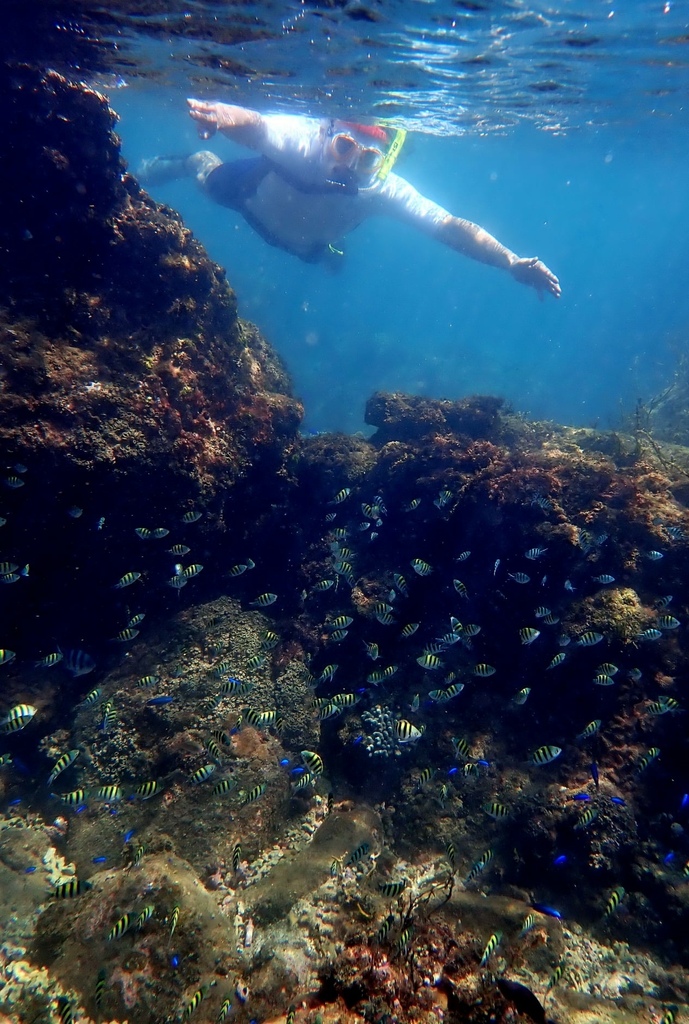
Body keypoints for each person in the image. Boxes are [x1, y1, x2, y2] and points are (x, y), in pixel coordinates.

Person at [138, 101, 561, 298]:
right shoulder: (300, 146)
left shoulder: (381, 188)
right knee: (204, 171)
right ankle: (179, 162)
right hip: (250, 199)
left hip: (303, 245)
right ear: (326, 135)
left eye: (368, 159)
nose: (350, 163)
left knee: (321, 254)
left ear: (383, 161)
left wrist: (509, 261)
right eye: (344, 147)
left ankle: (327, 253)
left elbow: (448, 226)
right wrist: (223, 115)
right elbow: (258, 126)